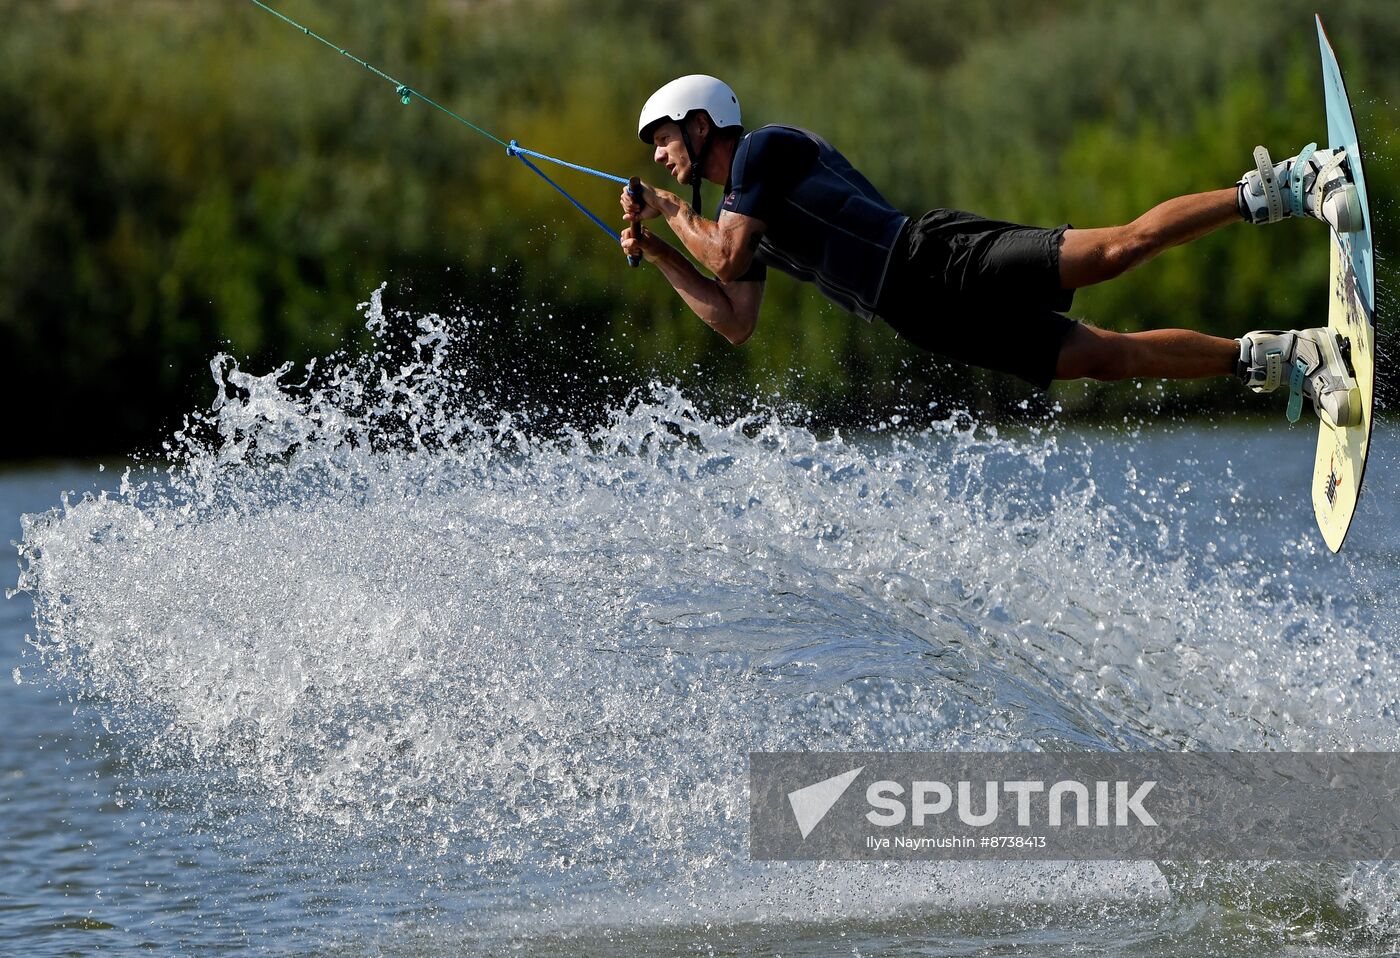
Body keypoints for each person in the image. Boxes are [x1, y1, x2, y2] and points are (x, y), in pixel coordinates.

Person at [619, 75, 1364, 427]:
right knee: (1102, 359)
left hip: (934, 256)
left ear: (702, 121)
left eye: (662, 137)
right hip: (920, 316)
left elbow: (722, 253)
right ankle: (1282, 355)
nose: (658, 156)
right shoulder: (732, 217)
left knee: (1115, 253)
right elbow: (733, 315)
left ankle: (1287, 186)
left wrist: (671, 214)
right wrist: (659, 251)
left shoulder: (760, 154)